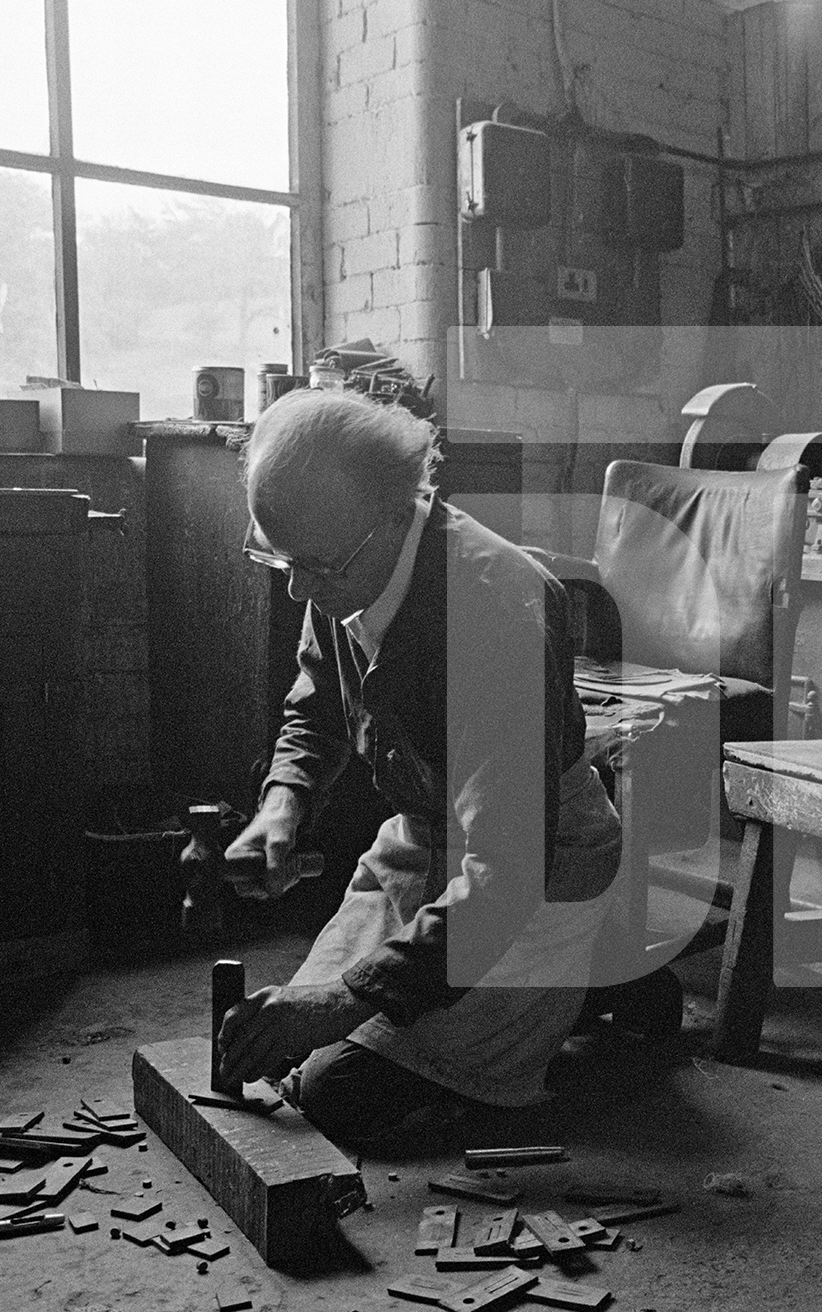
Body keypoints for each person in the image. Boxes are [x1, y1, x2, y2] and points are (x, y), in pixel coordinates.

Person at [212, 387, 622, 1150]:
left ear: (399, 512)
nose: (299, 589)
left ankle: (591, 990)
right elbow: (317, 706)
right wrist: (282, 803)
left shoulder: (495, 610)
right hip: (424, 838)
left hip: (538, 862)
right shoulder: (338, 563)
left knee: (337, 1090)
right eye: (281, 561)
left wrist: (343, 999)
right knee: (290, 1054)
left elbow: (505, 872)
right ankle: (563, 995)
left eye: (316, 569)